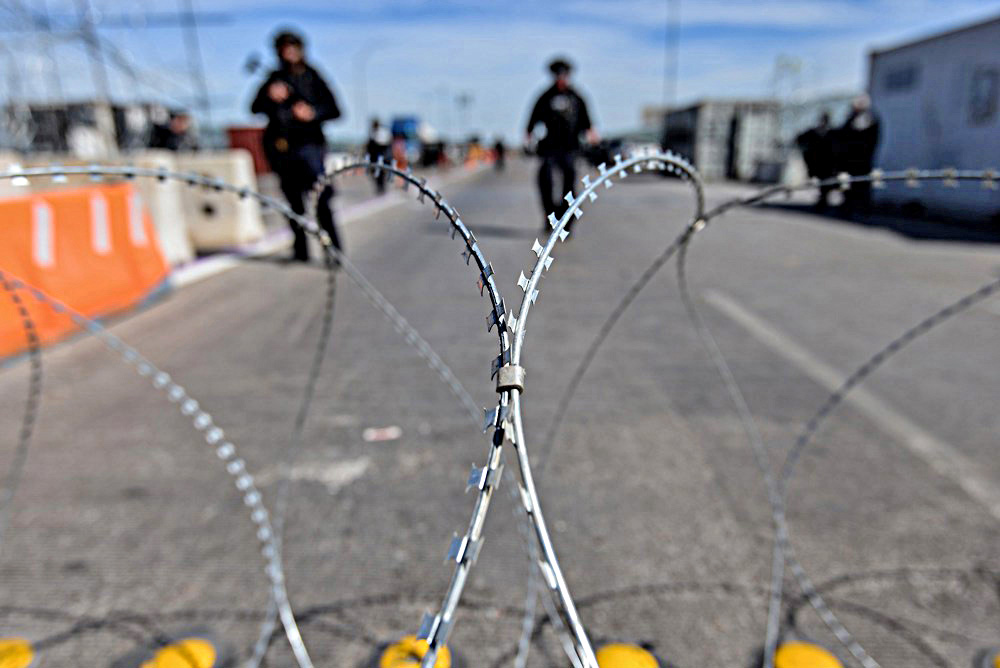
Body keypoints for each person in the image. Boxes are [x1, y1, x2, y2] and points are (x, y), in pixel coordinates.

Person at [251, 29, 342, 261]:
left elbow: (335, 109)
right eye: (283, 48)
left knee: (321, 198)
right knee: (293, 204)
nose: (289, 52)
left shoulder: (312, 77)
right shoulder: (274, 79)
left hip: (309, 146)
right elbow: (254, 108)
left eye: (293, 47)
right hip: (282, 149)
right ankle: (300, 250)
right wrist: (269, 95)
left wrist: (312, 113)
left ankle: (333, 249)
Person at [524, 57, 598, 232]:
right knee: (545, 179)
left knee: (569, 183)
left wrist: (592, 135)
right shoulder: (545, 96)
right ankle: (550, 216)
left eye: (563, 74)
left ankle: (566, 219)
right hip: (549, 147)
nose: (560, 78)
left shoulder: (576, 97)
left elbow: (587, 122)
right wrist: (528, 135)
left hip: (571, 147)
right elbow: (532, 120)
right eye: (557, 74)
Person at [838, 94, 880, 214]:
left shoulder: (870, 120)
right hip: (849, 160)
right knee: (847, 185)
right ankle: (847, 207)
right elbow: (842, 137)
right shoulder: (850, 120)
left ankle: (863, 208)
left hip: (863, 160)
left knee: (862, 185)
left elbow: (873, 140)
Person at [795, 112, 834, 209]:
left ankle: (823, 199)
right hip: (817, 162)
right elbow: (799, 139)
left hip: (827, 163)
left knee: (825, 183)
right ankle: (822, 199)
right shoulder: (815, 132)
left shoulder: (831, 133)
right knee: (821, 182)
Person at [365, 118, 391, 194]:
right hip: (374, 159)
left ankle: (381, 187)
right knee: (375, 175)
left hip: (381, 158)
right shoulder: (372, 133)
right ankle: (379, 187)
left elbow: (386, 146)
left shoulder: (382, 133)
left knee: (381, 174)